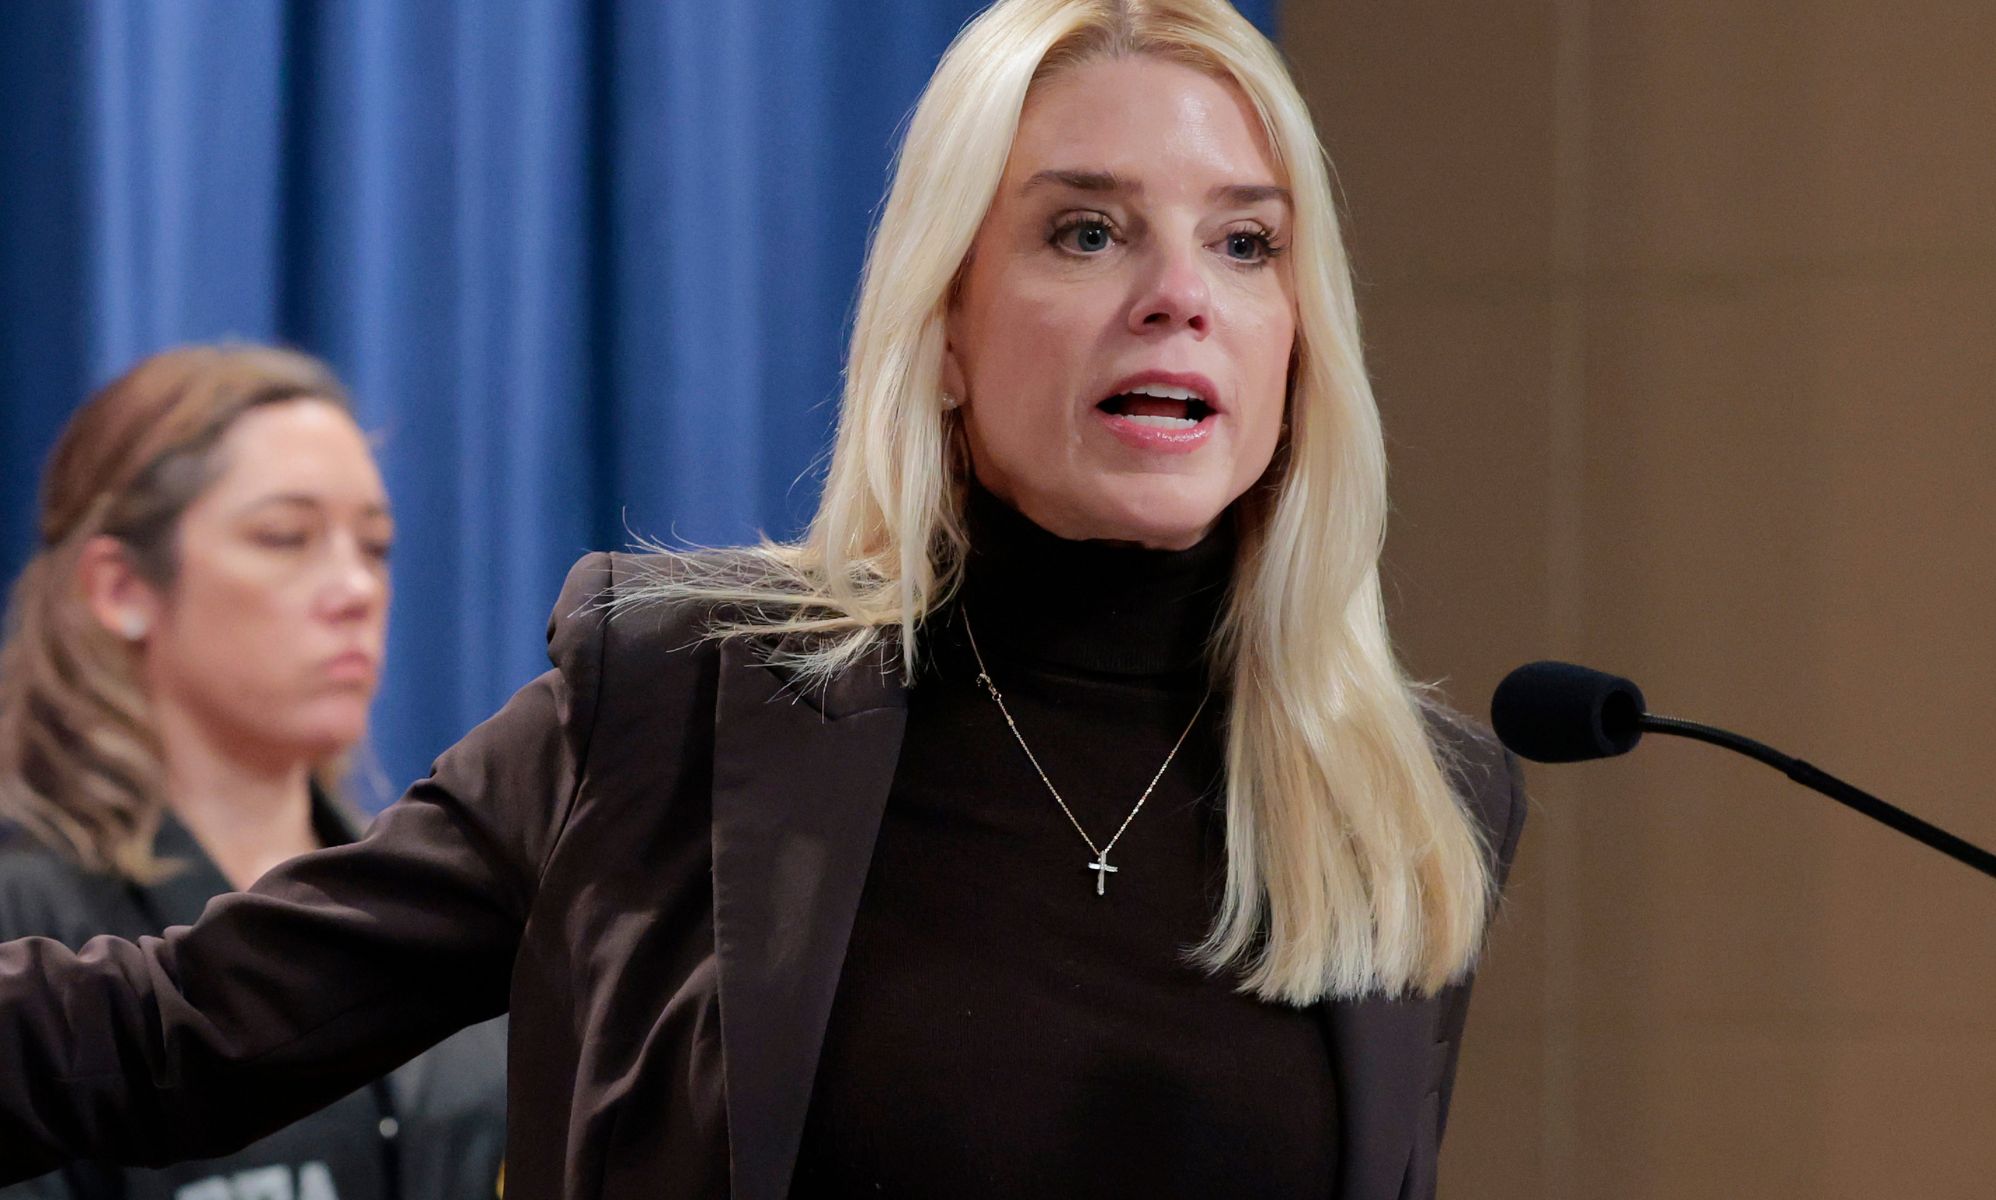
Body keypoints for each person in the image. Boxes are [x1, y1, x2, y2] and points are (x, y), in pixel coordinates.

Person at [0, 3, 1525, 1198]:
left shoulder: (1406, 803)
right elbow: (158, 1037)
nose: (1180, 291)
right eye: (1086, 229)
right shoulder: (688, 702)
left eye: (1246, 243)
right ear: (941, 326)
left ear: (1297, 339)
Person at [0, 345, 507, 1200]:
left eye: (376, 547)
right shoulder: (28, 915)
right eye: (285, 537)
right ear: (121, 587)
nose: (356, 588)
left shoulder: (432, 900)